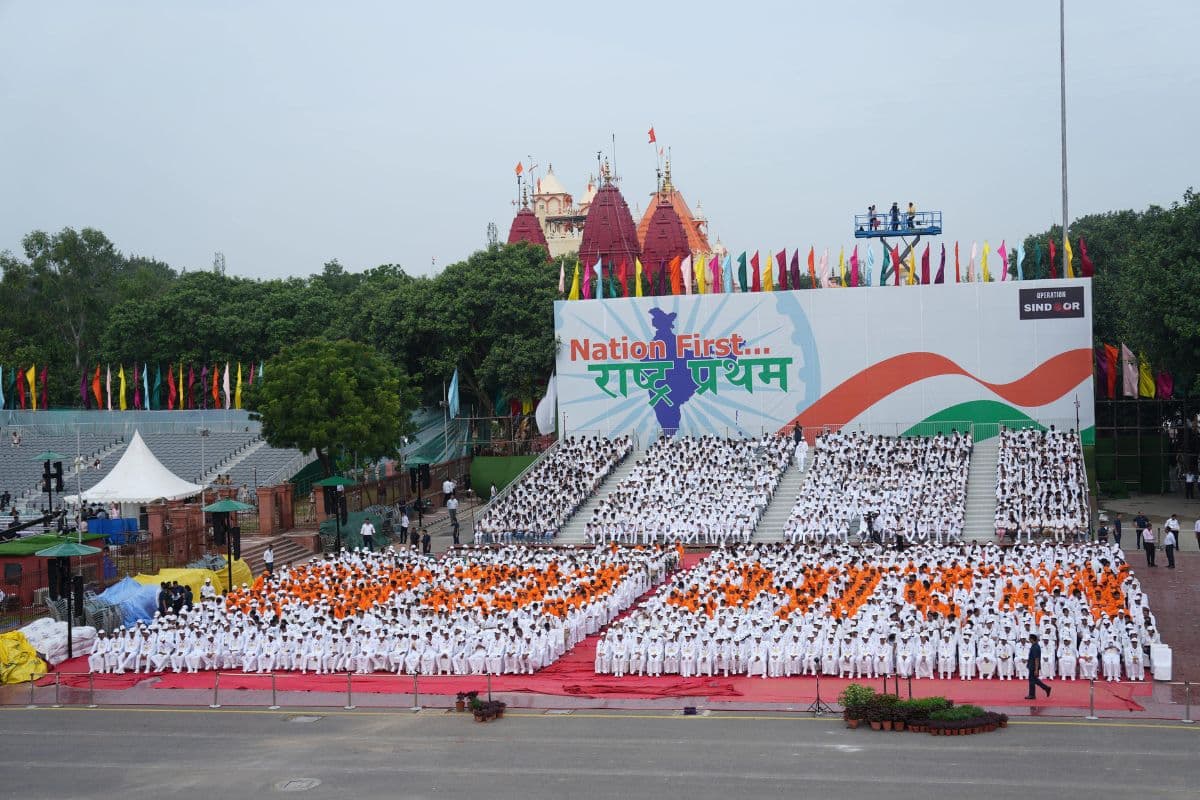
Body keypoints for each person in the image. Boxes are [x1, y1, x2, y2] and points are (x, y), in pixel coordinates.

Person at [1025, 634, 1051, 700]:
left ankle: (1032, 694)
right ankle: (1046, 688)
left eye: (1029, 638)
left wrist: (1036, 669)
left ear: (1032, 639)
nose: (1029, 640)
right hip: (1032, 665)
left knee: (1031, 680)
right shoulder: (1035, 646)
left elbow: (1036, 659)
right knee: (1034, 680)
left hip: (1033, 666)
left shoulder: (1035, 647)